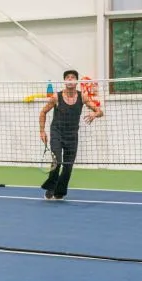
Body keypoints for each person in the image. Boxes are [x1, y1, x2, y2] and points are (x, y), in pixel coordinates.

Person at [38, 69, 103, 200]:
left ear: (76, 81)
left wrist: (95, 114)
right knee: (57, 161)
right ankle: (51, 188)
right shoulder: (56, 97)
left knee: (68, 167)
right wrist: (42, 131)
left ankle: (59, 192)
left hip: (72, 136)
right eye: (67, 77)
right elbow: (43, 112)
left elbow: (100, 111)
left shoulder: (82, 97)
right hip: (57, 132)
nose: (70, 79)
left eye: (73, 77)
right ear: (65, 81)